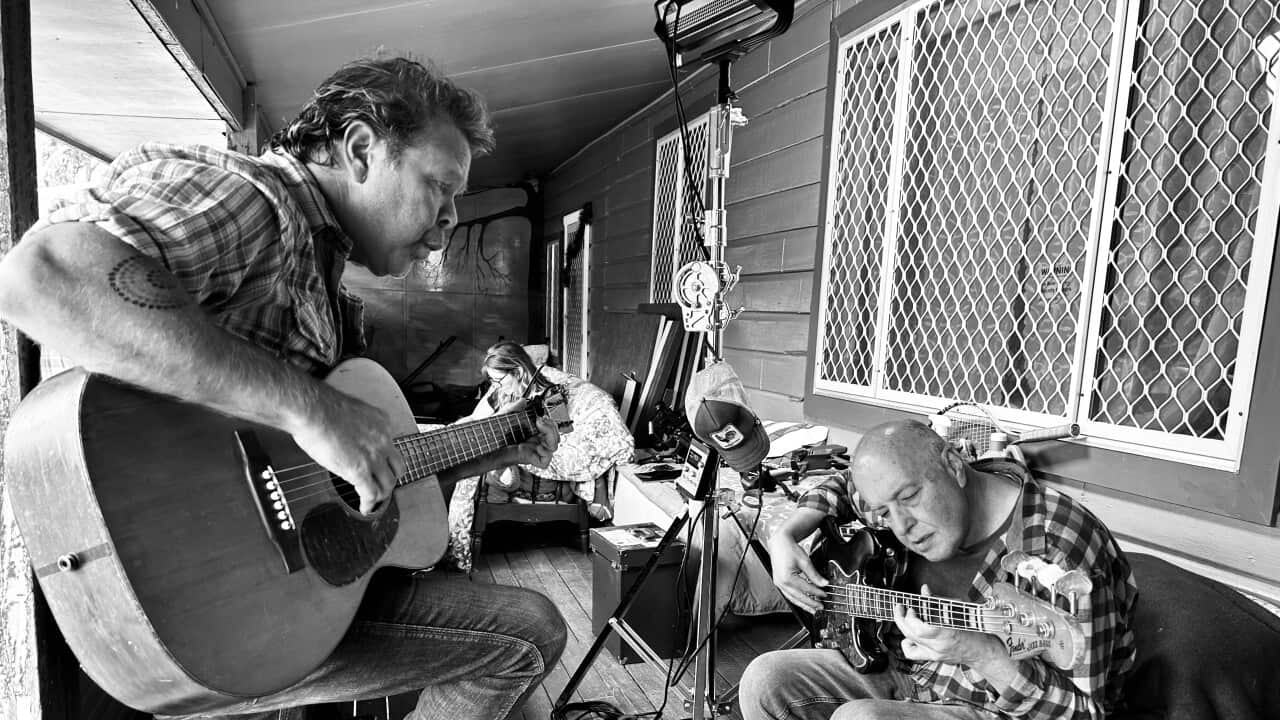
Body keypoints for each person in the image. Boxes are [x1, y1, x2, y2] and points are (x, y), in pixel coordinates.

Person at [0, 55, 566, 720]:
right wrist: (310, 409)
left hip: (259, 603)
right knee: (526, 637)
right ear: (361, 149)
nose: (449, 219)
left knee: (522, 629)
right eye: (439, 187)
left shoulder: (319, 268)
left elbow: (332, 474)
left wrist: (491, 449)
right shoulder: (256, 199)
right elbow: (43, 277)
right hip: (193, 600)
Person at [740, 419, 1138, 720]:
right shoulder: (899, 498)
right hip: (905, 667)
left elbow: (1084, 713)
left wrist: (978, 652)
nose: (901, 526)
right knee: (764, 680)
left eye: (910, 497)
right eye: (883, 512)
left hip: (992, 703)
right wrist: (788, 533)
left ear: (953, 465)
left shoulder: (1058, 551)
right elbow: (851, 483)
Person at [447, 341, 634, 570]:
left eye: (499, 380)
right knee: (461, 453)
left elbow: (564, 432)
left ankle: (458, 550)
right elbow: (480, 418)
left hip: (535, 457)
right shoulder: (502, 391)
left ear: (518, 372)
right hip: (506, 448)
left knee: (472, 465)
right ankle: (453, 540)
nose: (496, 386)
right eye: (493, 381)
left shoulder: (551, 395)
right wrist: (455, 429)